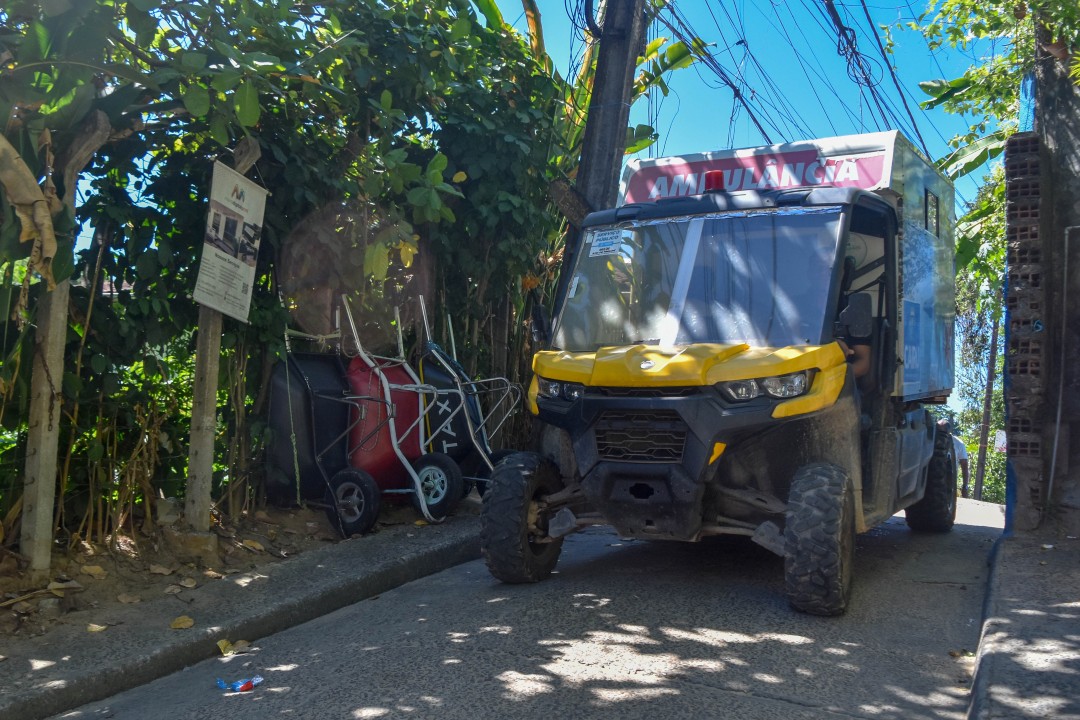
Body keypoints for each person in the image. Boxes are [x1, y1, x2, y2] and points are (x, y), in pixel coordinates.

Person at [937, 419, 971, 498]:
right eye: (939, 431)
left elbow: (964, 465)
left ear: (949, 431)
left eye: (944, 432)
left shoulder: (958, 443)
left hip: (949, 479)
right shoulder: (930, 440)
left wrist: (965, 486)